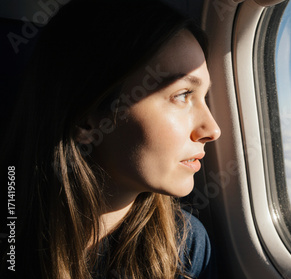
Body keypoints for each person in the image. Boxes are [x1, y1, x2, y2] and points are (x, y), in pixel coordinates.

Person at [0, 0, 220, 278]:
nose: (212, 130)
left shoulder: (185, 245)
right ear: (86, 118)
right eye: (182, 95)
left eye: (203, 97)